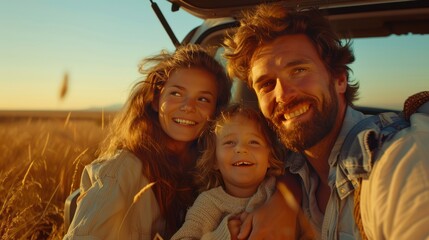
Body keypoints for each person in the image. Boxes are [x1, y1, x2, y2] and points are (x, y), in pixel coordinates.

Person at [224, 3, 429, 240]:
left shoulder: (397, 160)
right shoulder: (280, 165)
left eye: (298, 70)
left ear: (339, 79)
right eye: (266, 85)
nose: (282, 95)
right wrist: (283, 198)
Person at [63, 44, 232, 240]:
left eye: (203, 99)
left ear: (216, 112)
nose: (188, 107)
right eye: (176, 93)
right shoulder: (122, 171)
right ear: (155, 100)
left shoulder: (217, 168)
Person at [171, 103, 300, 240]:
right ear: (214, 160)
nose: (241, 148)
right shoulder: (209, 203)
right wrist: (222, 236)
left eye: (254, 142)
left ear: (270, 157)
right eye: (230, 142)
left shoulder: (279, 191)